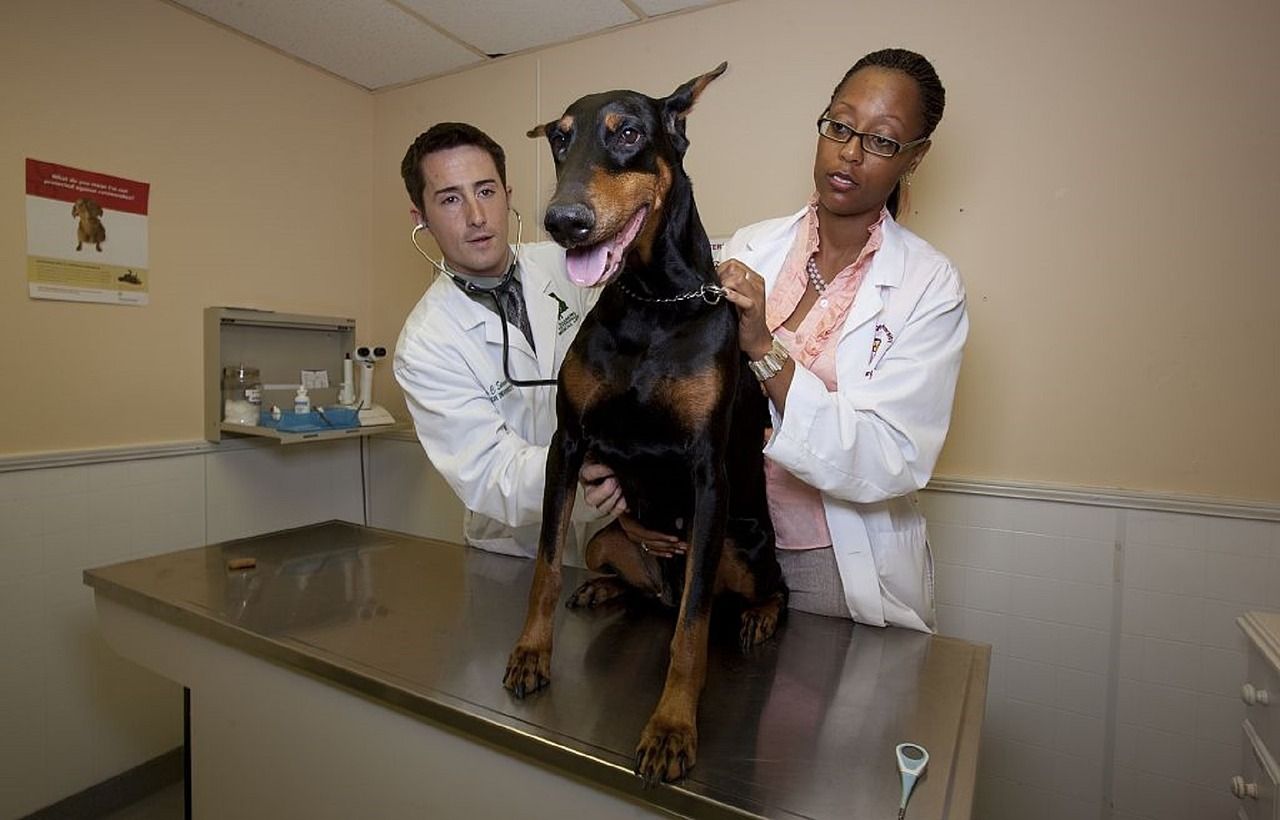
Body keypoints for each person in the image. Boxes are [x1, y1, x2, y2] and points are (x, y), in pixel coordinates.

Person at [591, 48, 967, 632]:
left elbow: (895, 459)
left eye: (883, 141)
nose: (850, 151)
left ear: (915, 158)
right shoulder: (746, 248)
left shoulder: (928, 286)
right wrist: (625, 492)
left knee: (821, 718)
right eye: (839, 126)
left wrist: (766, 351)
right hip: (716, 539)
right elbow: (668, 398)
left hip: (831, 560)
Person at [394, 122, 607, 559]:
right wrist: (582, 470)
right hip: (515, 549)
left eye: (486, 191)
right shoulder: (425, 344)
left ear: (508, 195)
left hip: (609, 529)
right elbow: (491, 472)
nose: (476, 216)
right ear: (422, 219)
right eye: (451, 199)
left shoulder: (570, 267)